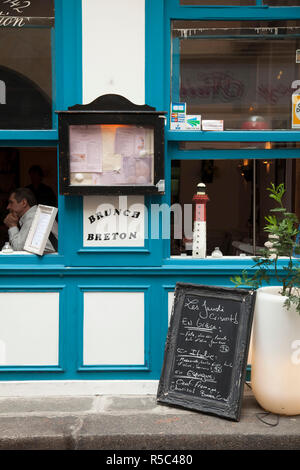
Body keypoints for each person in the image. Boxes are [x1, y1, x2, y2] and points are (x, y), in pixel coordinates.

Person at [3, 188, 57, 252]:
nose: (8, 207)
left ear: (24, 203)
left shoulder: (33, 217)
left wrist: (12, 226)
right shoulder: (37, 214)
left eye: (11, 202)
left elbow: (18, 249)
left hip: (52, 261)